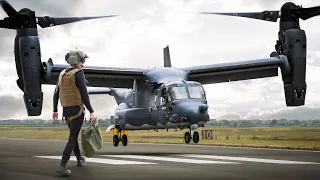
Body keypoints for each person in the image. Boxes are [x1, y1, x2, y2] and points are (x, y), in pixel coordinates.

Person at [52, 50, 95, 176]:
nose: (83, 63)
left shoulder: (62, 74)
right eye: (82, 60)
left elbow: (56, 93)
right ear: (78, 60)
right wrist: (91, 111)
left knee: (73, 135)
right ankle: (62, 165)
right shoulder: (79, 73)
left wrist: (55, 110)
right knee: (72, 137)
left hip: (66, 111)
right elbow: (84, 94)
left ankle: (79, 159)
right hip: (77, 110)